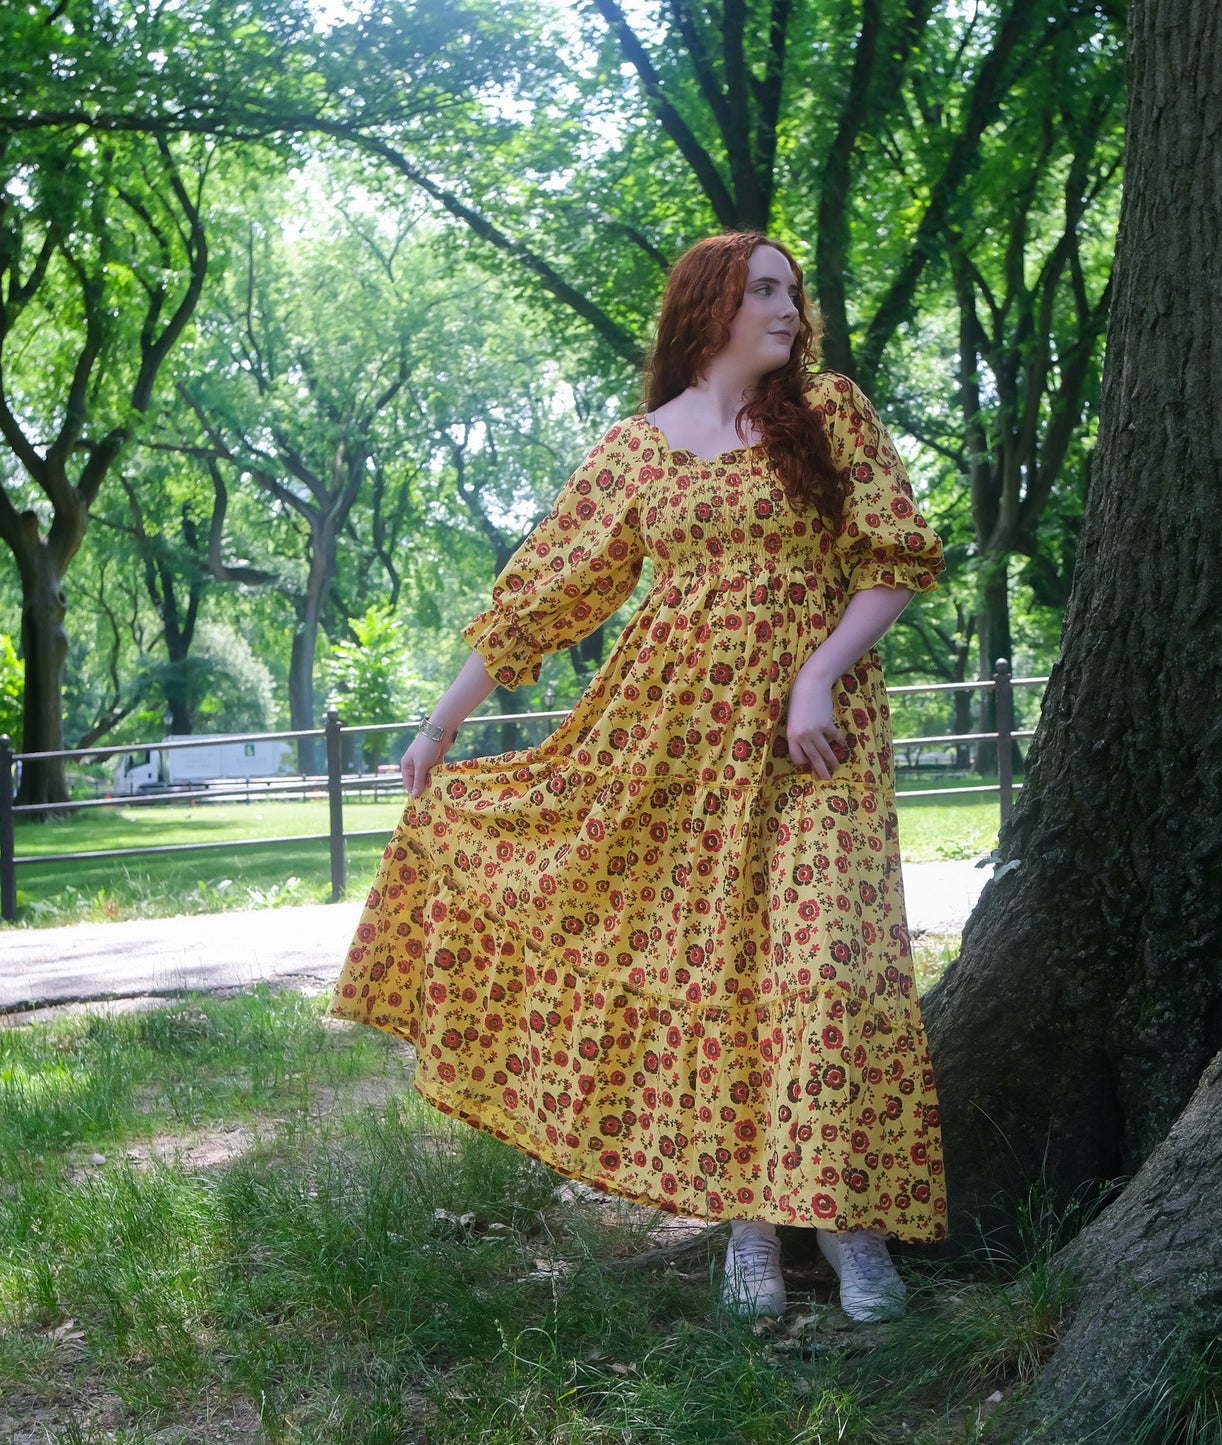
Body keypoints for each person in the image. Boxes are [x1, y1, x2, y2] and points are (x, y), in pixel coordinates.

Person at [328, 233, 948, 1322]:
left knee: (824, 972)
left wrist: (816, 677)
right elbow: (540, 598)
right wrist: (437, 725)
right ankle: (747, 1225)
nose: (787, 309)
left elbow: (894, 558)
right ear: (706, 304)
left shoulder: (830, 413)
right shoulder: (635, 449)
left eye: (792, 292)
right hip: (672, 752)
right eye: (762, 290)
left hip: (818, 743)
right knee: (717, 986)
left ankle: (853, 1231)